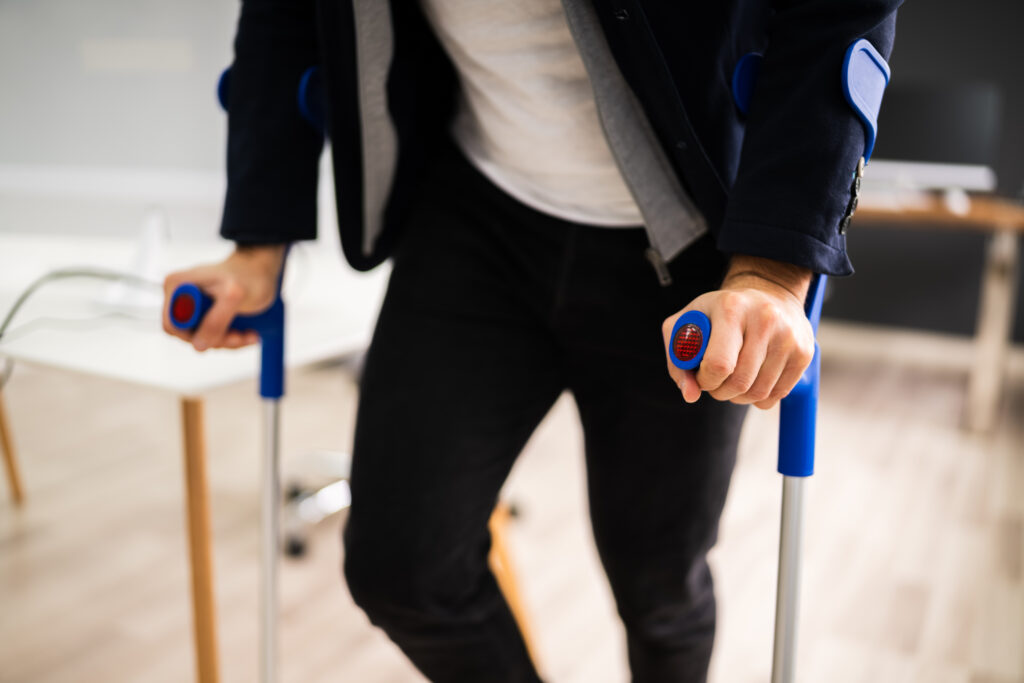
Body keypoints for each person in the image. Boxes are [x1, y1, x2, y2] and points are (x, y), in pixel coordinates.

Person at [162, 1, 899, 680]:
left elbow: (833, 17)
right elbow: (284, 17)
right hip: (475, 210)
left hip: (689, 233)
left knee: (658, 582)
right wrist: (258, 243)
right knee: (403, 569)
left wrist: (772, 271)